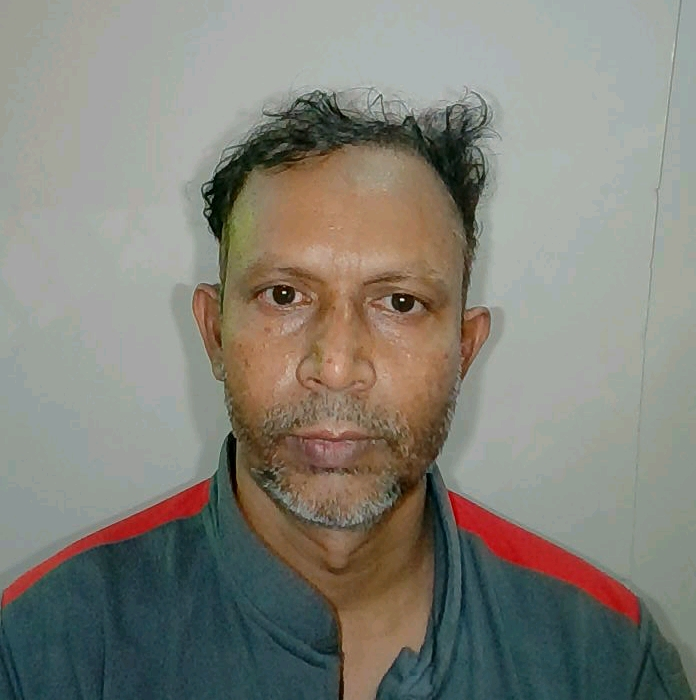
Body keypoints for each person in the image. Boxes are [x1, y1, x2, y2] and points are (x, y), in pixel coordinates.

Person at [0, 90, 692, 700]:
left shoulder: (606, 656)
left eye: (400, 302)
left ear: (464, 349)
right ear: (213, 333)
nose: (334, 366)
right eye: (284, 295)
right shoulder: (41, 649)